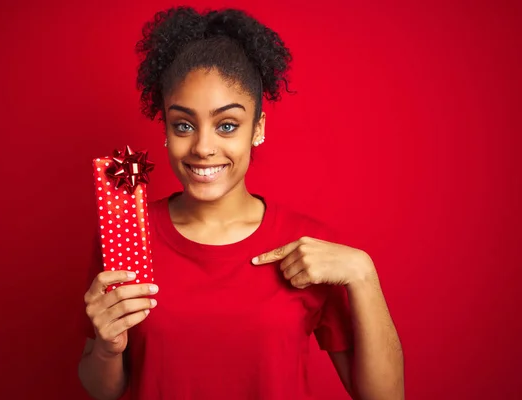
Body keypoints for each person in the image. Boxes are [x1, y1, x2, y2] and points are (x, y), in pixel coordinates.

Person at [78, 6, 404, 400]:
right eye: (183, 124)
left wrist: (363, 273)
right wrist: (108, 346)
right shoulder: (126, 237)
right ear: (165, 127)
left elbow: (385, 396)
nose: (202, 147)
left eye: (227, 125)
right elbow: (104, 391)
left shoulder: (310, 247)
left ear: (258, 129)